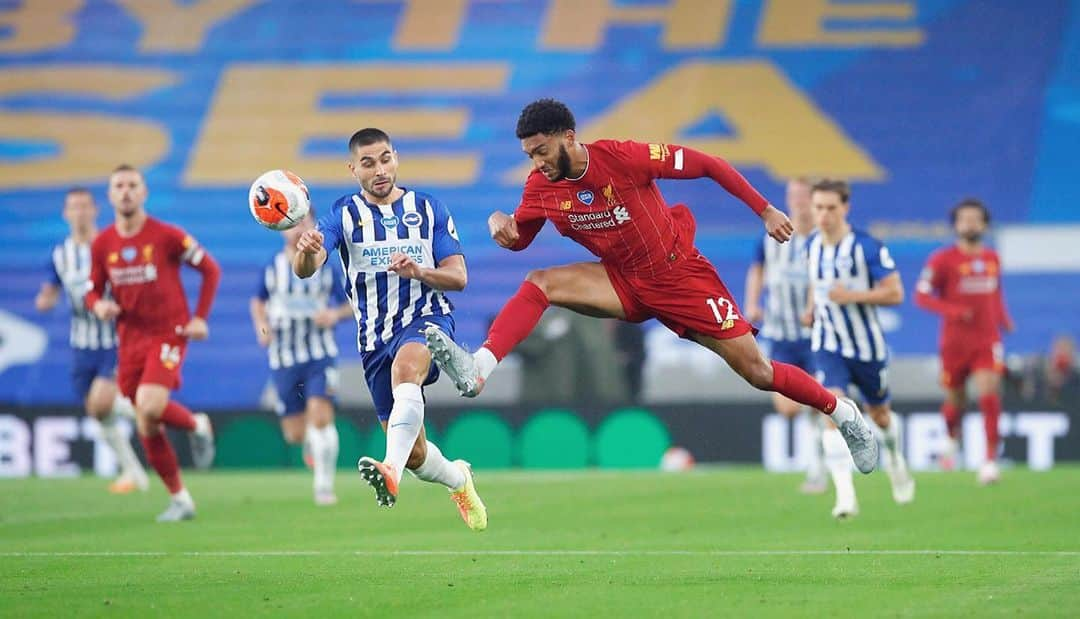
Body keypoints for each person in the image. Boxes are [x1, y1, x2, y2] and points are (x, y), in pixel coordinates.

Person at [422, 98, 879, 476]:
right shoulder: (541, 186)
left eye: (541, 150)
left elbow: (707, 163)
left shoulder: (623, 157)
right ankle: (479, 367)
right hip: (622, 280)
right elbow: (521, 239)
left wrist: (764, 210)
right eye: (529, 155)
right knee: (539, 282)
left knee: (758, 372)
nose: (537, 162)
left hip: (680, 276)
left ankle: (844, 416)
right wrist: (502, 225)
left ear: (568, 137)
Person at [292, 128, 487, 530]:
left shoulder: (428, 208)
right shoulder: (343, 215)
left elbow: (459, 277)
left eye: (385, 159)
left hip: (427, 319)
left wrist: (420, 271)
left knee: (407, 368)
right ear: (353, 169)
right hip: (374, 339)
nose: (379, 170)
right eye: (368, 163)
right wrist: (306, 252)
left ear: (395, 158)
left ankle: (389, 471)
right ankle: (457, 479)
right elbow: (308, 269)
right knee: (416, 454)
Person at [86, 165, 219, 522]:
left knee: (148, 404)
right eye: (119, 186)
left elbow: (210, 268)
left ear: (144, 193)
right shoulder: (102, 243)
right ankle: (181, 499)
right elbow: (92, 288)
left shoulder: (167, 236)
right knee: (146, 423)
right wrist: (98, 304)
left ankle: (196, 425)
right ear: (110, 195)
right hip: (129, 341)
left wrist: (200, 317)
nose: (126, 191)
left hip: (168, 332)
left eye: (132, 185)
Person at [801, 179, 914, 518]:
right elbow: (816, 286)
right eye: (818, 207)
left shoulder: (867, 247)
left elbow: (896, 293)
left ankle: (894, 458)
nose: (823, 215)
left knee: (880, 416)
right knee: (832, 412)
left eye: (831, 208)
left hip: (866, 348)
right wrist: (811, 309)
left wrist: (852, 297)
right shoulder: (810, 246)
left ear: (845, 208)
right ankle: (845, 496)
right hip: (827, 344)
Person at [35, 187, 148, 494]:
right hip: (81, 343)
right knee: (99, 412)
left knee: (102, 402)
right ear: (66, 214)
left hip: (115, 339)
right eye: (74, 207)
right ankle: (134, 472)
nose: (80, 212)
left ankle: (153, 412)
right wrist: (45, 299)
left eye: (85, 206)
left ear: (95, 211)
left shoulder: (111, 245)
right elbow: (51, 288)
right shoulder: (61, 254)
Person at [250, 210, 352, 505]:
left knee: (321, 417)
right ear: (281, 229)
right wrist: (262, 327)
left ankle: (324, 486)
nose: (298, 229)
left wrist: (334, 314)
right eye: (293, 224)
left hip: (320, 354)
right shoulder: (273, 266)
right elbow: (258, 302)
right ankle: (314, 448)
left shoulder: (326, 266)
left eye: (304, 222)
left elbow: (349, 305)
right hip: (284, 357)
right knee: (295, 434)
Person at [915, 198, 1014, 484]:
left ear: (984, 224)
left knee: (989, 392)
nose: (970, 224)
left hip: (987, 339)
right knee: (955, 400)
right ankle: (950, 437)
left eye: (975, 219)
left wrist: (1003, 319)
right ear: (956, 225)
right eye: (964, 219)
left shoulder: (992, 258)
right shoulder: (942, 260)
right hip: (954, 343)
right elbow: (921, 296)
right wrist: (953, 310)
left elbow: (996, 294)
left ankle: (990, 461)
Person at [743, 177, 824, 494]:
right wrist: (752, 302)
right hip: (779, 333)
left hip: (813, 334)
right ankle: (824, 411)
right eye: (794, 194)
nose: (798, 200)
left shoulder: (821, 238)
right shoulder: (772, 235)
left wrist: (812, 305)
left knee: (819, 401)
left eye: (804, 194)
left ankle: (817, 469)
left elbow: (823, 276)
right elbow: (757, 269)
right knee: (788, 409)